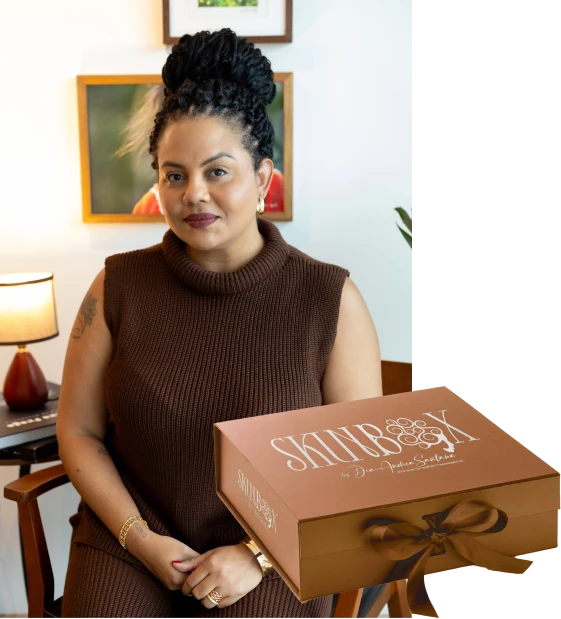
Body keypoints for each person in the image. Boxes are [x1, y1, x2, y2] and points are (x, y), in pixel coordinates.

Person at [57, 28, 382, 619]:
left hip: (277, 549)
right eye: (174, 175)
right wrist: (140, 540)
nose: (194, 195)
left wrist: (258, 553)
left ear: (262, 179)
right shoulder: (116, 286)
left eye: (218, 172)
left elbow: (356, 472)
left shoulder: (330, 299)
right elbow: (78, 431)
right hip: (132, 538)